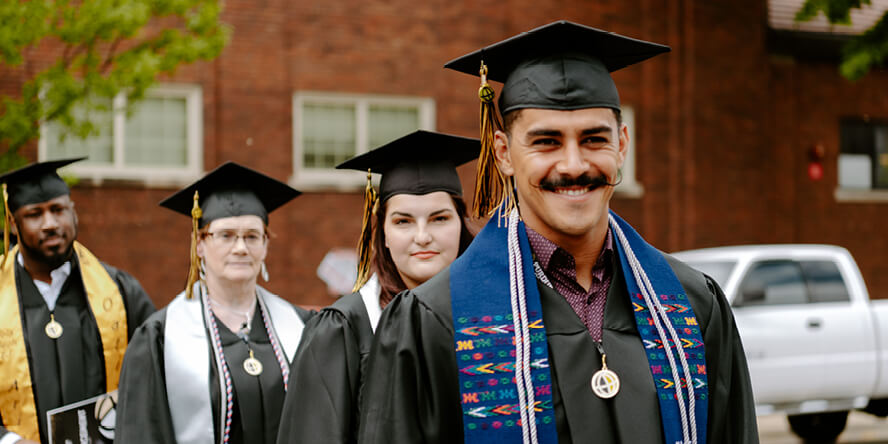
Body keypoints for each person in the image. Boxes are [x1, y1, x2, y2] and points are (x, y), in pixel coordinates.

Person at [357, 21, 758, 444]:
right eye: (546, 141)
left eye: (593, 139)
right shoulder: (436, 320)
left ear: (622, 145)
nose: (573, 165)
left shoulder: (693, 304)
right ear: (504, 153)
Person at [276, 130, 479, 444]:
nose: (422, 236)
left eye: (439, 219)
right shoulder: (343, 328)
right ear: (382, 232)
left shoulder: (492, 314)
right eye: (403, 221)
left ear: (461, 224)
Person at [114, 161, 313, 444]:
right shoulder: (160, 338)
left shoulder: (301, 327)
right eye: (226, 236)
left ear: (266, 245)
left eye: (252, 236)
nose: (241, 248)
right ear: (199, 244)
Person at [0, 157, 156, 444]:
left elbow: (157, 372)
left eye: (58, 210)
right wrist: (8, 440)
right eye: (35, 214)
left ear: (74, 214)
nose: (50, 223)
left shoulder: (120, 291)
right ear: (13, 223)